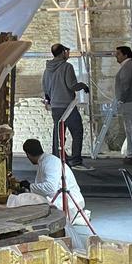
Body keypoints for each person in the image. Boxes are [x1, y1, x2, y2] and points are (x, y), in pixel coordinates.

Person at [42, 43, 92, 171]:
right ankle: (76, 159)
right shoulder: (67, 67)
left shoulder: (47, 68)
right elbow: (71, 85)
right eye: (67, 51)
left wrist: (49, 101)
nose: (68, 54)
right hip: (67, 105)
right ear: (63, 52)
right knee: (77, 131)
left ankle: (58, 158)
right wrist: (83, 85)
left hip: (55, 106)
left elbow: (45, 88)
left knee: (58, 133)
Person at [21, 139, 88, 223]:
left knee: (23, 201)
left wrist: (29, 186)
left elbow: (51, 188)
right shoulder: (45, 161)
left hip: (67, 202)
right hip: (60, 198)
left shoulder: (49, 162)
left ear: (28, 154)